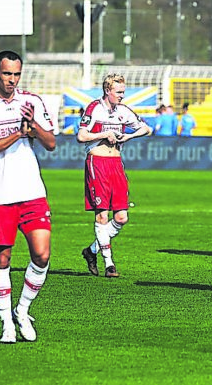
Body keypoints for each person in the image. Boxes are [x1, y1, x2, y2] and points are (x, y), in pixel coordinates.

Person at [0, 50, 56, 343]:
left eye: (17, 74)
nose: (12, 80)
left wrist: (34, 128)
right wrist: (17, 135)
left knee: (42, 255)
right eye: (7, 74)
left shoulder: (31, 101)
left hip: (32, 192)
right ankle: (6, 323)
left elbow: (51, 143)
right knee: (2, 257)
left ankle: (22, 310)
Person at [78, 73, 152, 278]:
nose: (122, 96)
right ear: (107, 91)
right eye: (118, 92)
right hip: (97, 164)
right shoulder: (94, 108)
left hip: (116, 164)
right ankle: (109, 264)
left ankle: (91, 251)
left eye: (123, 92)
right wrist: (103, 134)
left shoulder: (123, 111)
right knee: (102, 215)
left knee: (121, 217)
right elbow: (81, 136)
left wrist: (128, 136)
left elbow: (147, 129)